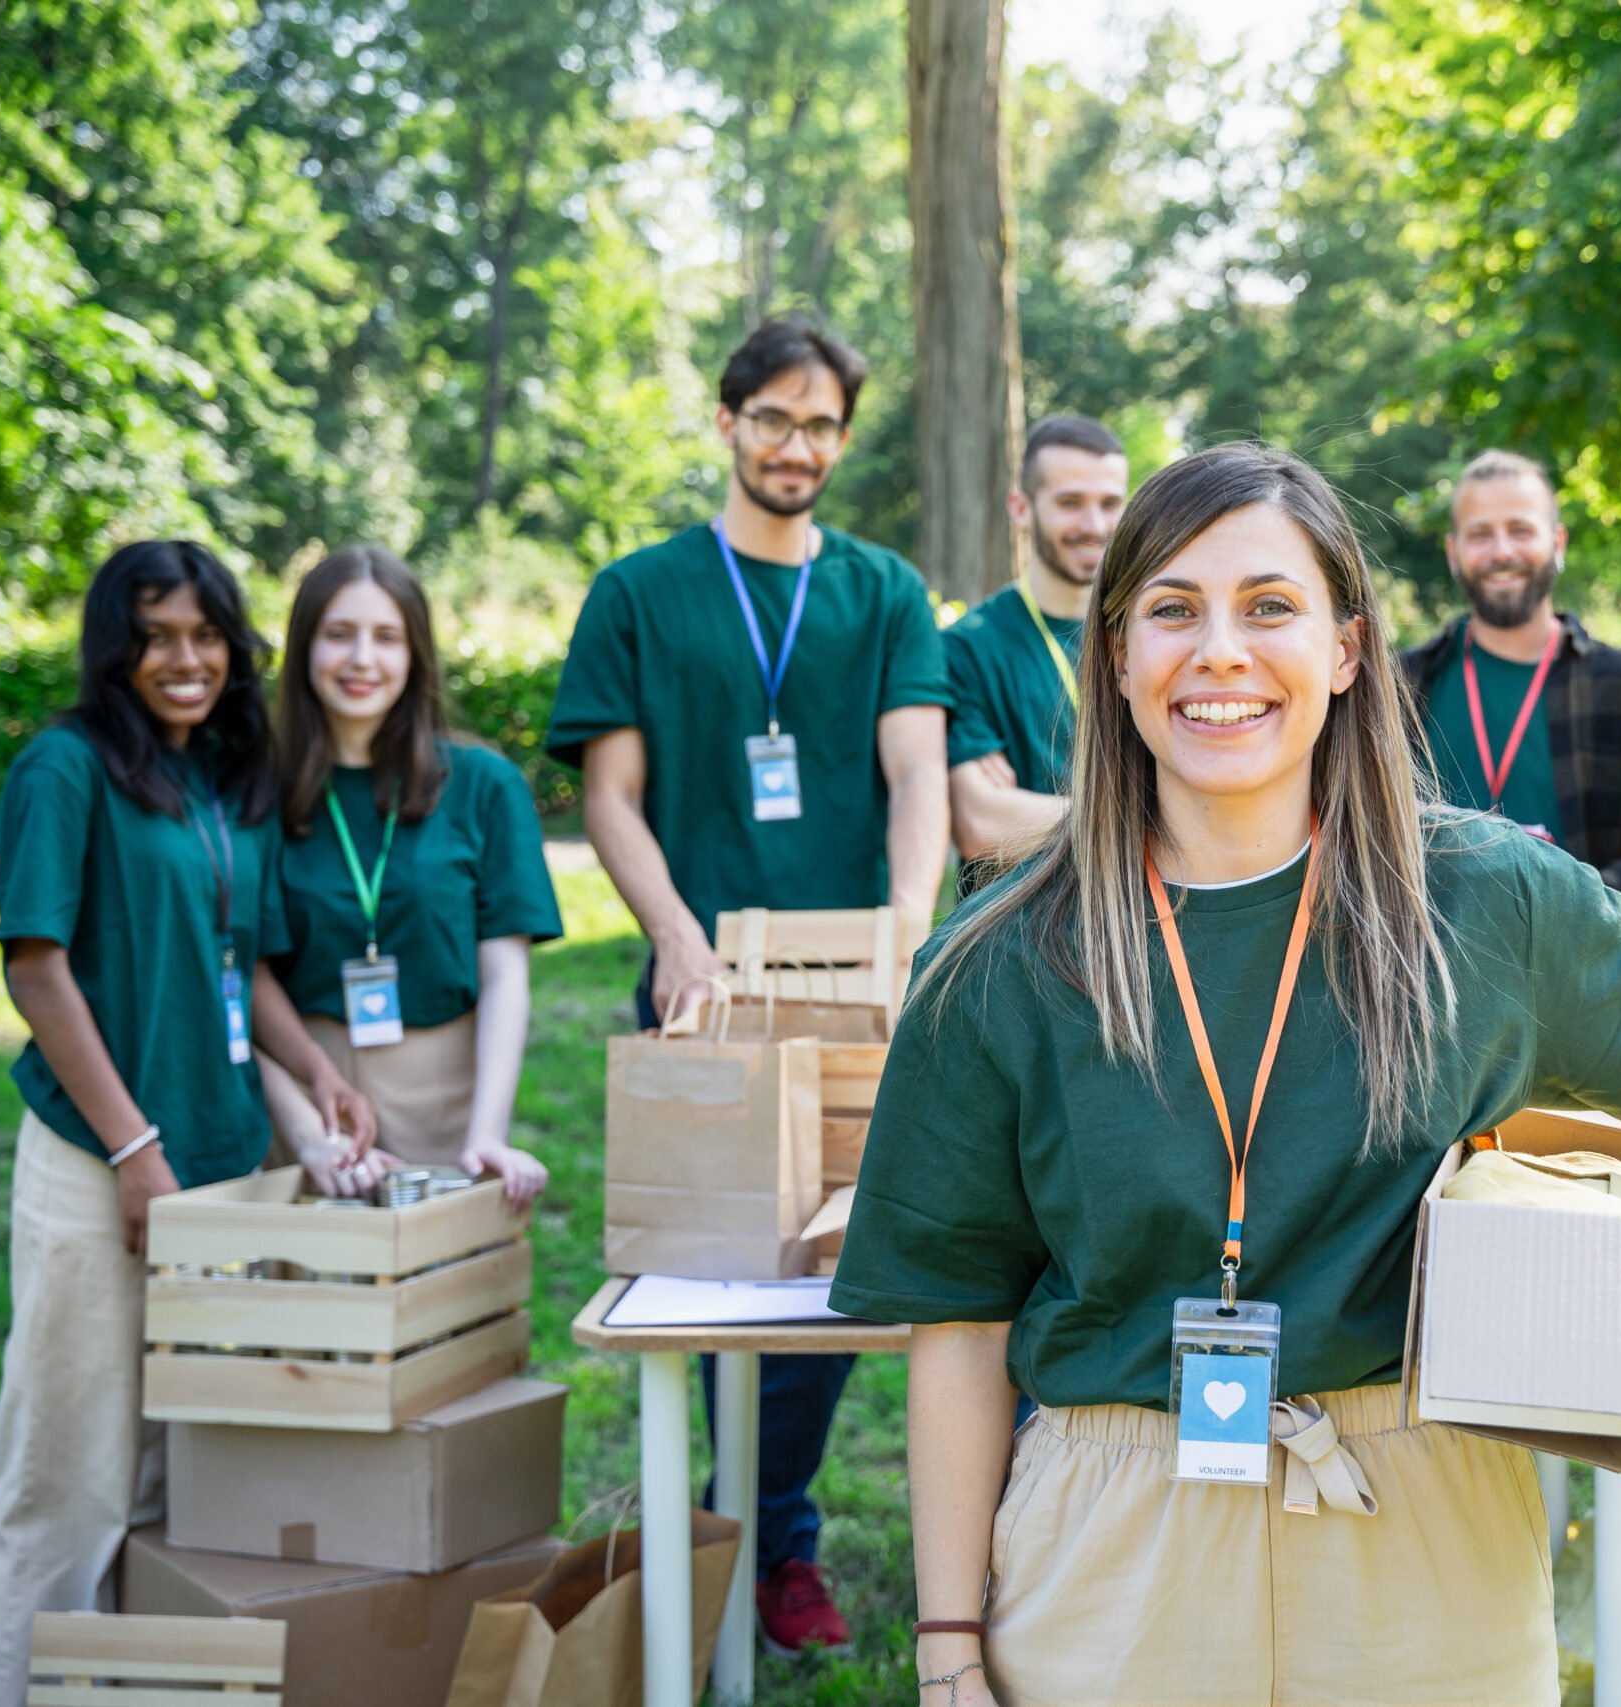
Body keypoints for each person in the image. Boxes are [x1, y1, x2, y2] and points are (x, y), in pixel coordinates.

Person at [831, 446, 1621, 1707]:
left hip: (1422, 1523)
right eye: (1172, 609)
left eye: (1268, 606)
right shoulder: (996, 957)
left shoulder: (1488, 895)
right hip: (1112, 1541)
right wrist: (947, 1645)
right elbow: (957, 1322)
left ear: (1344, 649)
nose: (1219, 649)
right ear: (1116, 659)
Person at [547, 314, 951, 1651]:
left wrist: (903, 926)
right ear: (727, 423)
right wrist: (670, 933)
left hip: (844, 994)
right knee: (706, 1277)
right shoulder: (640, 590)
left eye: (821, 423)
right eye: (772, 417)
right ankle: (718, 1527)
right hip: (704, 986)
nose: (797, 445)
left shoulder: (884, 589)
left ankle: (765, 1533)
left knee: (825, 1279)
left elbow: (912, 769)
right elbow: (611, 792)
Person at [0, 541, 377, 1707]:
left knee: (171, 1480)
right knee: (71, 1471)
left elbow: (237, 958)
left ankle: (138, 1687)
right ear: (116, 648)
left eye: (206, 635)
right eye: (156, 635)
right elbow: (36, 969)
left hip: (215, 1163)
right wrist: (131, 1150)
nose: (185, 658)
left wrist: (314, 1069)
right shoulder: (63, 771)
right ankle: (31, 1689)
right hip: (101, 1162)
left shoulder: (219, 779)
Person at [261, 545, 562, 1207]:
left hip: (447, 1094)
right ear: (304, 646)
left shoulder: (484, 785)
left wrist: (488, 1130)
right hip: (307, 1099)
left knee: (439, 1298)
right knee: (310, 1299)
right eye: (339, 634)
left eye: (387, 637)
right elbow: (243, 980)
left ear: (416, 654)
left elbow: (506, 974)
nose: (362, 659)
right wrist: (306, 1126)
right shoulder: (257, 792)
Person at [1401, 449, 1621, 915]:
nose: (1502, 551)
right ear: (1453, 553)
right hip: (1426, 967)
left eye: (1520, 530)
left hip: (1579, 976)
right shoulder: (1397, 688)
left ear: (1557, 542)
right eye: (1480, 535)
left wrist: (1571, 909)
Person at [945, 413, 1129, 881]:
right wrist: (1153, 815)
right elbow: (981, 822)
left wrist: (1032, 814)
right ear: (1021, 507)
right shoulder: (967, 647)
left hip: (1143, 924)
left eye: (1110, 503)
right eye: (1070, 502)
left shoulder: (1151, 633)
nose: (1094, 524)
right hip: (1015, 935)